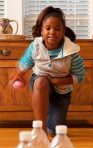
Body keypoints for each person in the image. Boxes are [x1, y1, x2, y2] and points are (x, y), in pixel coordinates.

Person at [12, 6, 85, 135]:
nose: (52, 32)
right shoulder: (35, 46)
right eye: (48, 28)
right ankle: (41, 130)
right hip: (40, 82)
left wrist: (57, 80)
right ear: (42, 31)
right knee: (41, 82)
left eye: (57, 29)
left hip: (62, 90)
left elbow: (80, 76)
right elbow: (26, 63)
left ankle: (50, 124)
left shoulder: (72, 51)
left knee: (56, 131)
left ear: (63, 32)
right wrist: (19, 75)